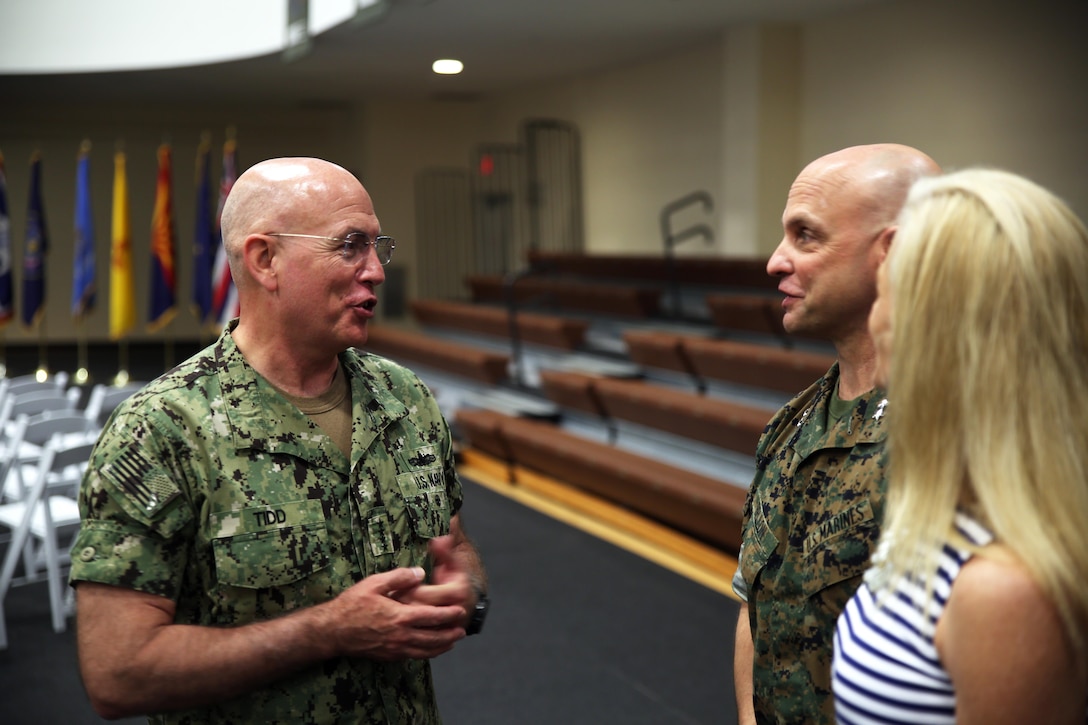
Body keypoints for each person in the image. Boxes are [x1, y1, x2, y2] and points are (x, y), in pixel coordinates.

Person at [69, 157, 489, 724]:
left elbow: (453, 545)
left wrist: (466, 595)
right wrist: (327, 631)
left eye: (376, 247)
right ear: (265, 260)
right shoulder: (162, 430)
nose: (377, 271)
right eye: (350, 245)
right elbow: (117, 673)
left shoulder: (403, 397)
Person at [832, 168, 1088, 723]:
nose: (875, 316)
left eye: (884, 291)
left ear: (927, 335)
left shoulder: (1005, 593)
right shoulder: (934, 508)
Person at [732, 143, 941, 724]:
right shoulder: (793, 421)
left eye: (806, 236)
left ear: (893, 252)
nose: (776, 261)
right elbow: (755, 599)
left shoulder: (953, 437)